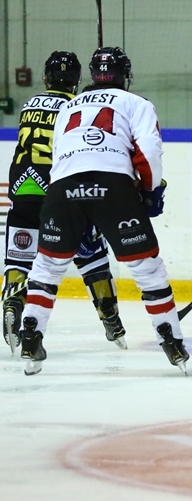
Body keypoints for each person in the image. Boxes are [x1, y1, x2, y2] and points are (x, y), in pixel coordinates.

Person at [17, 46, 188, 376]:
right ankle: (171, 340)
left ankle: (30, 336)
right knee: (146, 268)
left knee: (48, 266)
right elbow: (149, 152)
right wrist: (150, 193)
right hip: (113, 187)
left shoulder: (68, 108)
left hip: (62, 189)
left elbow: (59, 156)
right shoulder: (137, 103)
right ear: (125, 75)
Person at [3, 51, 126, 356]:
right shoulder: (75, 107)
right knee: (91, 255)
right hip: (57, 186)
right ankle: (110, 317)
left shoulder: (29, 104)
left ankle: (13, 303)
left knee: (20, 256)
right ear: (76, 81)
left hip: (21, 184)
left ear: (46, 78)